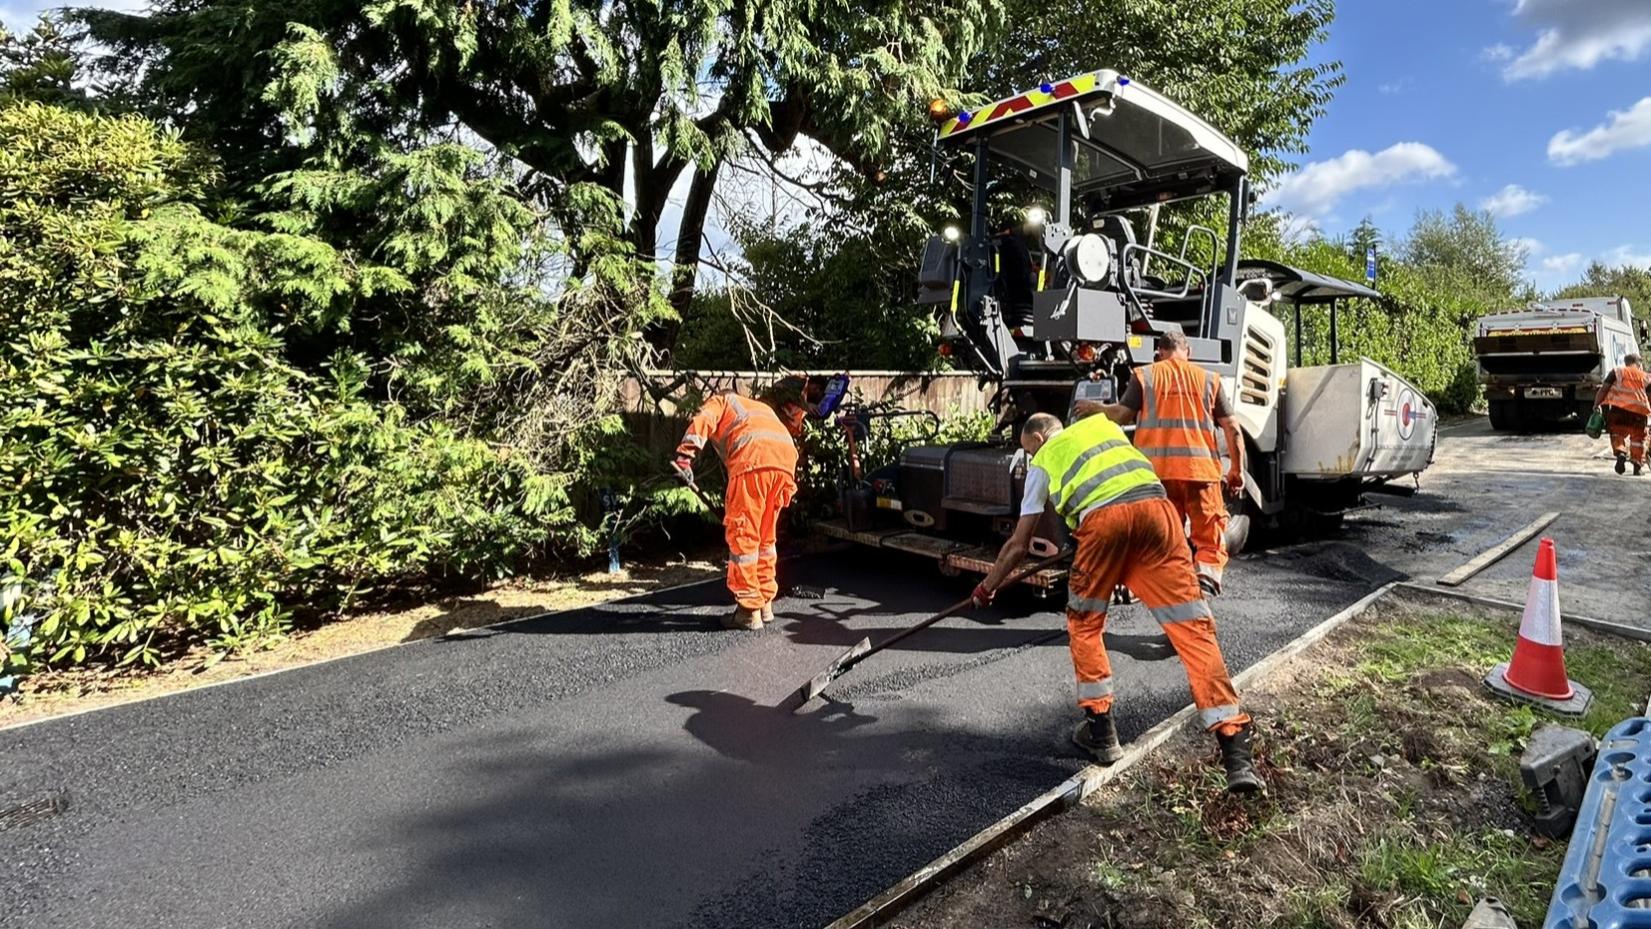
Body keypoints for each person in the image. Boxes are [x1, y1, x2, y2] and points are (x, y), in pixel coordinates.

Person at [971, 412, 1264, 794]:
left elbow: (1018, 544)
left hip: (1104, 524)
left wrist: (988, 587)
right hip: (1158, 518)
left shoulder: (1044, 459)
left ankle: (1101, 733)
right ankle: (1236, 754)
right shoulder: (1103, 427)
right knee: (1192, 629)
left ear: (1039, 439)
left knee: (1085, 623)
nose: (1029, 457)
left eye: (1028, 451)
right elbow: (1123, 483)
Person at [1083, 328, 1244, 595]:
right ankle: (1205, 576)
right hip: (1199, 474)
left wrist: (1095, 408)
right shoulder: (1209, 380)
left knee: (1165, 539)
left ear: (1159, 352)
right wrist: (1236, 471)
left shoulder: (1145, 376)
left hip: (1156, 478)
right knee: (1209, 539)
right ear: (1188, 352)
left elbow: (1122, 415)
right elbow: (1233, 429)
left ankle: (1158, 583)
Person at [674, 378, 816, 629]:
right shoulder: (760, 409)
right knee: (765, 539)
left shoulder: (722, 401)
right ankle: (765, 603)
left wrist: (685, 457)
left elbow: (703, 420)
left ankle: (748, 610)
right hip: (784, 462)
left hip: (754, 460)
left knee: (744, 537)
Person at [1594, 354, 1650, 475]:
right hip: (1639, 413)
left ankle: (1620, 453)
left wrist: (1596, 404)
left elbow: (1604, 389)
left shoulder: (1617, 372)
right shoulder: (1646, 377)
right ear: (1639, 363)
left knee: (1616, 433)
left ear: (1626, 362)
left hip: (1618, 409)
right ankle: (1637, 466)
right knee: (1638, 439)